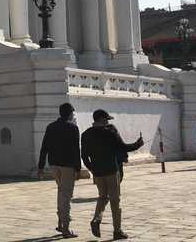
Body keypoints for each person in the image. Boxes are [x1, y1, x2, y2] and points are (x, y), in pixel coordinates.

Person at [81, 109, 144, 241]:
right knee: (115, 200)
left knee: (102, 196)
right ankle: (117, 230)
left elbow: (84, 155)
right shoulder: (110, 133)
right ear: (101, 119)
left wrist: (91, 168)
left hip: (97, 172)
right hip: (111, 170)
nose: (107, 121)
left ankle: (97, 219)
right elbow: (124, 147)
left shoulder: (86, 134)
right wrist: (138, 144)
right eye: (106, 119)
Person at [37, 103, 81, 239]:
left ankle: (60, 221)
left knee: (61, 191)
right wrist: (78, 168)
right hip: (68, 164)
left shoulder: (51, 127)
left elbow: (44, 147)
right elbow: (75, 149)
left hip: (54, 163)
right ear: (69, 114)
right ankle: (66, 228)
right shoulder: (72, 127)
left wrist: (40, 165)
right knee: (67, 194)